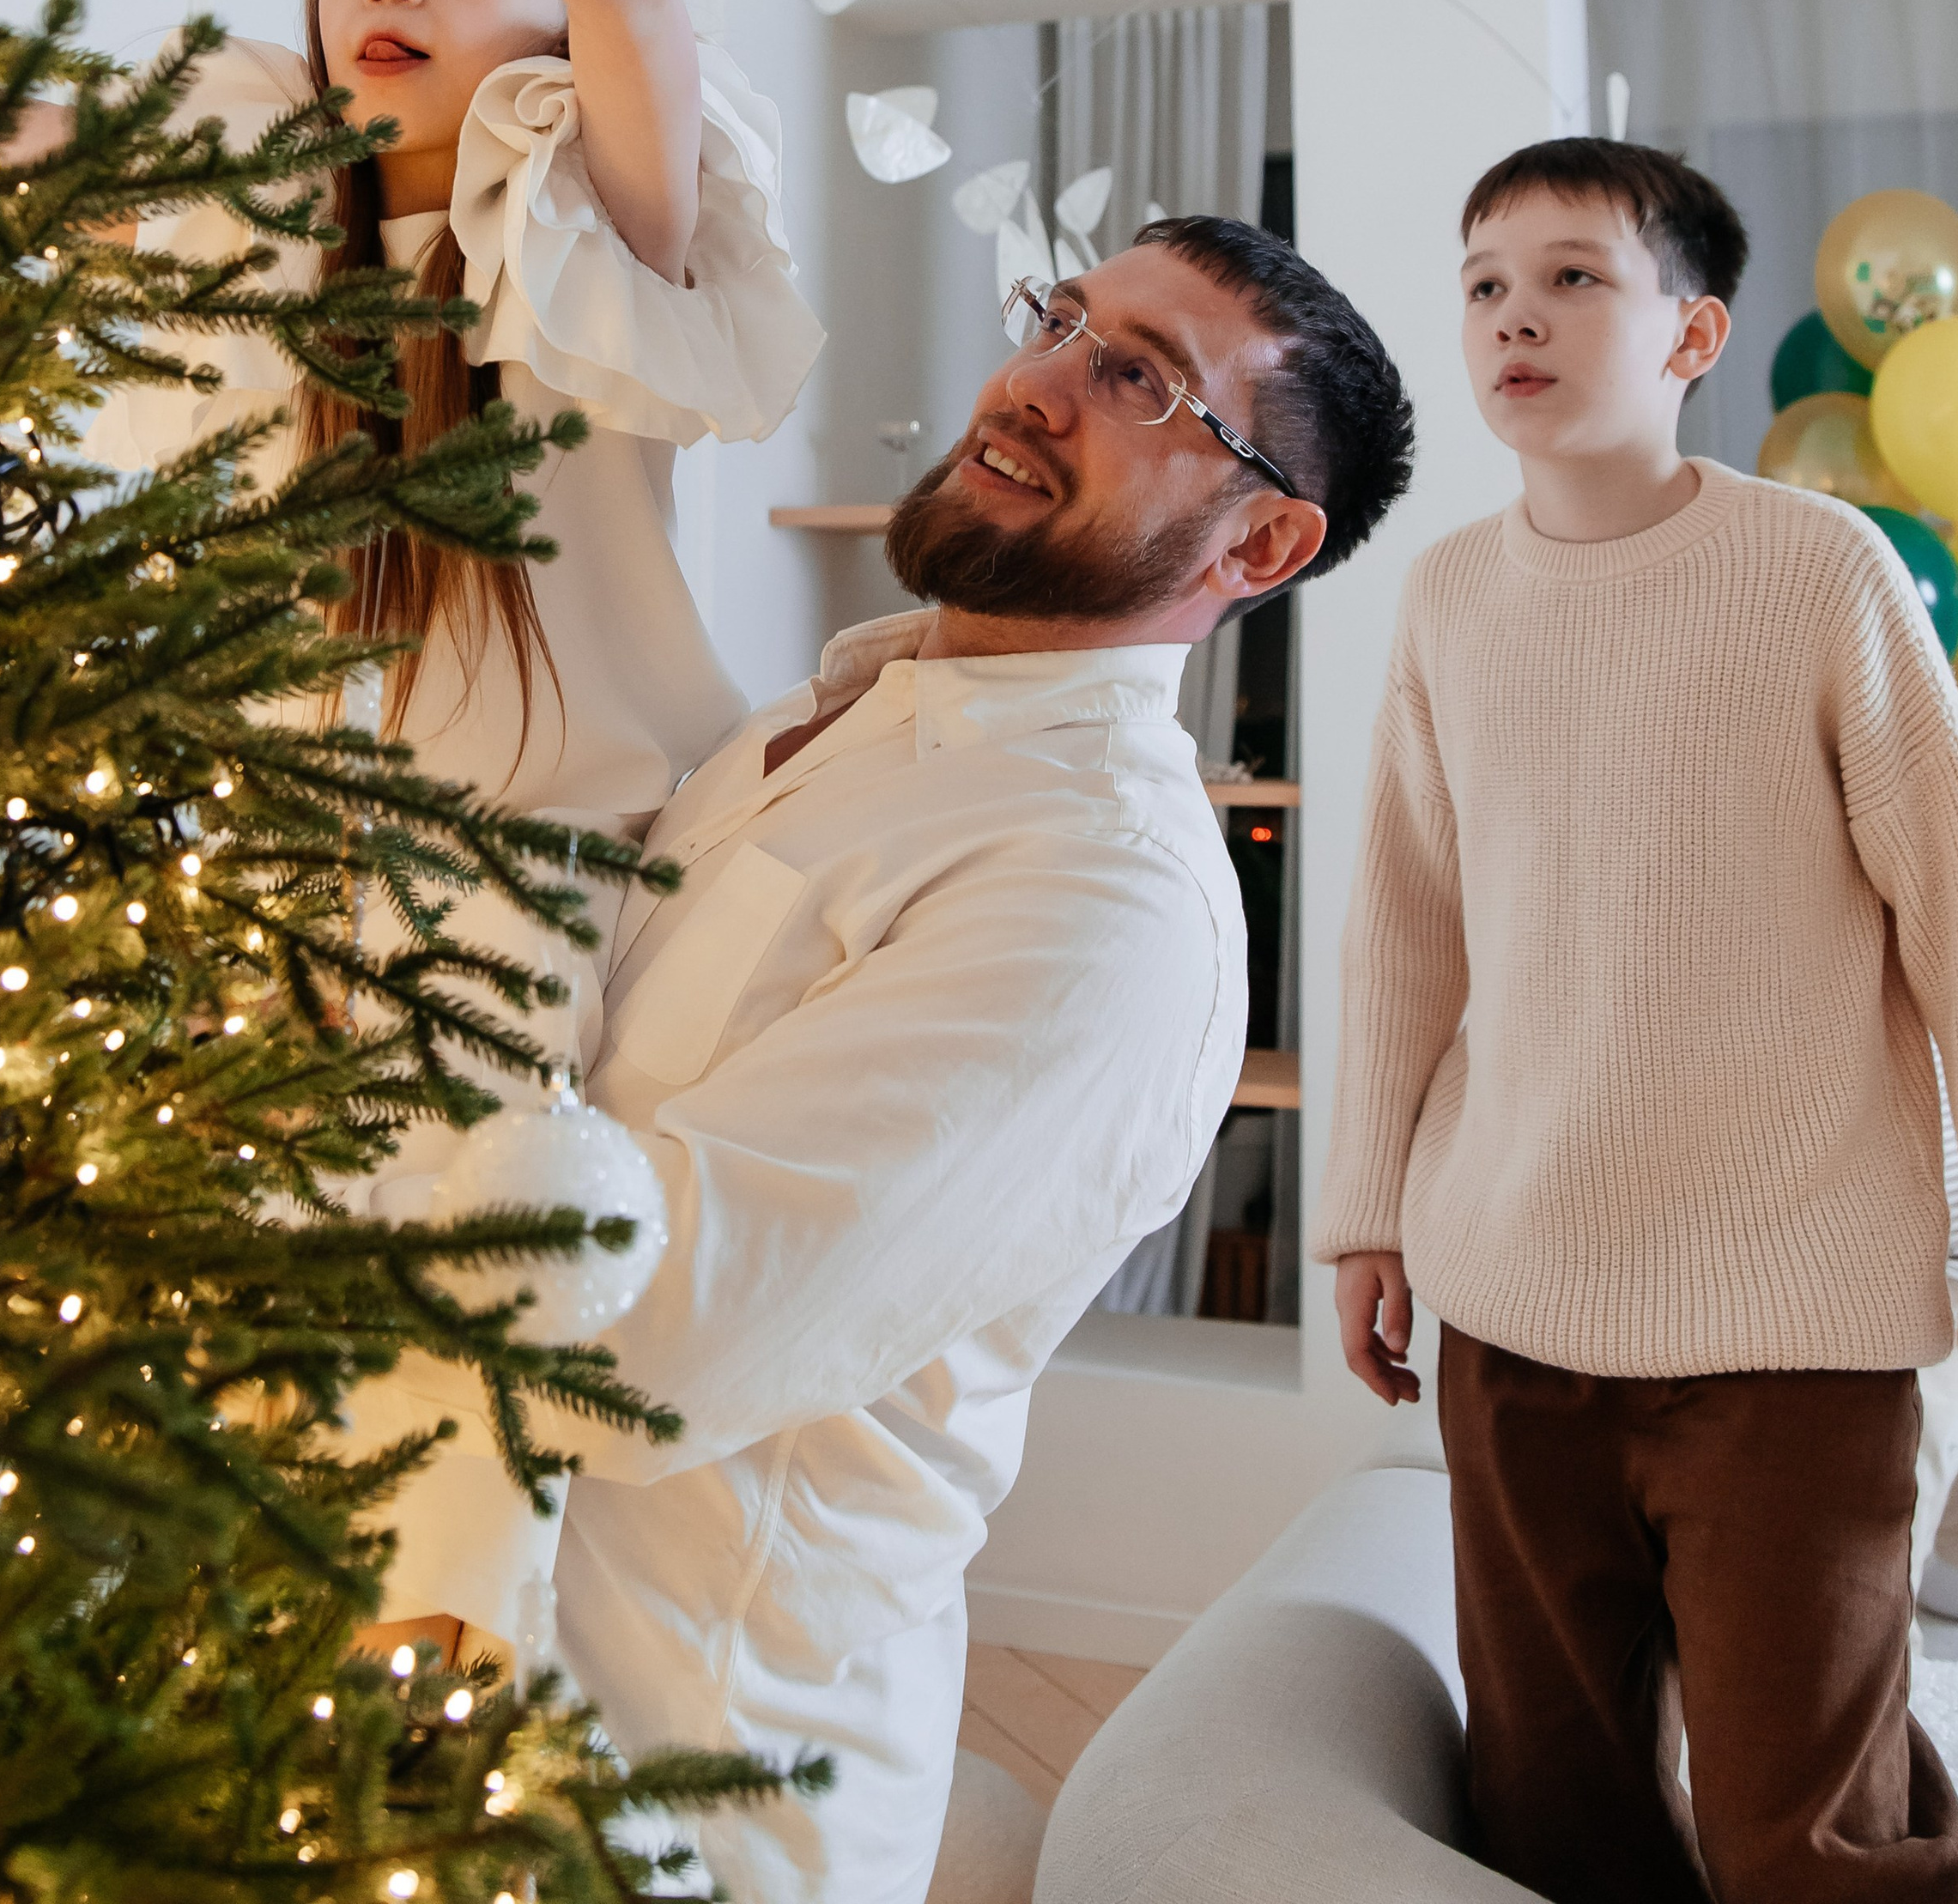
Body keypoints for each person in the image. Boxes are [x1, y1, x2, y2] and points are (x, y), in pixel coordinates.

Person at [0, 0, 825, 1656]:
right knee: (176, 1443)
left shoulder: (599, 209)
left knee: (434, 1497)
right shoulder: (242, 178)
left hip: (505, 940)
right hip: (238, 899)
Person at [519, 219, 1414, 1904]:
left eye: (1136, 377)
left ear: (1261, 539)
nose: (1033, 382)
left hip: (645, 1782)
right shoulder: (833, 711)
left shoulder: (1102, 912)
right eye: (1061, 319)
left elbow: (636, 1339)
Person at [1316, 134, 1958, 1904]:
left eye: (1570, 277)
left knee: (1798, 1849)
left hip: (1794, 1330)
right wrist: (1366, 1210)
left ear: (1690, 338)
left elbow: (1953, 907)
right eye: (1481, 287)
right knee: (1554, 1817)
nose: (1513, 316)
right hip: (1512, 1313)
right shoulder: (1447, 597)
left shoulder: (1816, 570)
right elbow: (1400, 920)